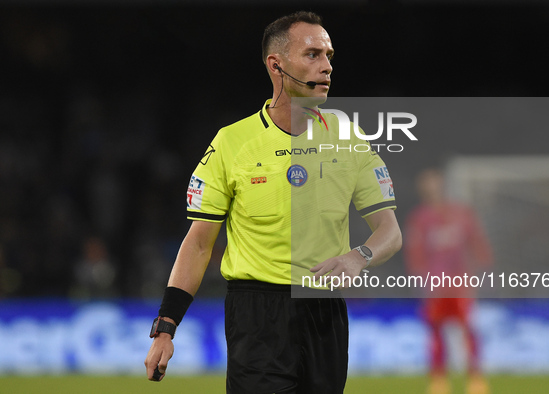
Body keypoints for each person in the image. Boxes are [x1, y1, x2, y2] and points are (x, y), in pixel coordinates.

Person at [144, 11, 402, 393]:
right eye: (313, 54)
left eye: (329, 55)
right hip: (257, 313)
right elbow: (199, 242)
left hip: (326, 311)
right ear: (276, 65)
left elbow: (390, 231)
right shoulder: (233, 143)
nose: (327, 66)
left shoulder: (350, 140)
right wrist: (166, 326)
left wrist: (357, 256)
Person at [404, 168, 492, 394]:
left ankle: (476, 378)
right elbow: (415, 252)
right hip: (435, 284)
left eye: (434, 182)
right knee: (435, 330)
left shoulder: (462, 213)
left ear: (441, 183)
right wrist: (420, 277)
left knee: (468, 329)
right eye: (426, 183)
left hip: (461, 282)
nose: (430, 187)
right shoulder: (420, 218)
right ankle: (438, 380)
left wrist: (483, 263)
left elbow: (477, 241)